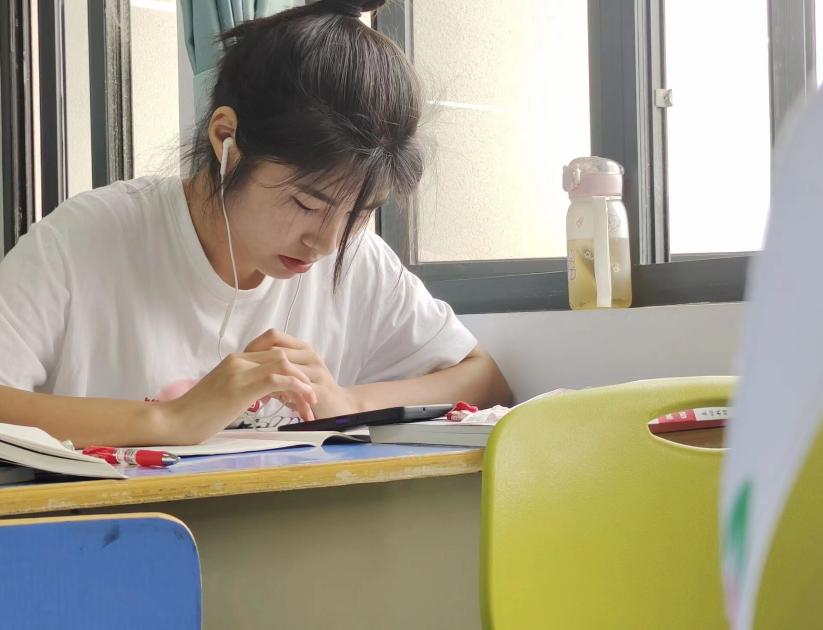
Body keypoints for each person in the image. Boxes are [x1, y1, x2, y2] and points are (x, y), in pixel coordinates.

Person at [0, 0, 511, 448]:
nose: (325, 242)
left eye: (360, 213)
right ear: (226, 137)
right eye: (306, 204)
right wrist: (169, 419)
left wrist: (345, 401)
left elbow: (483, 379)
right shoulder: (85, 240)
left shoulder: (358, 261)